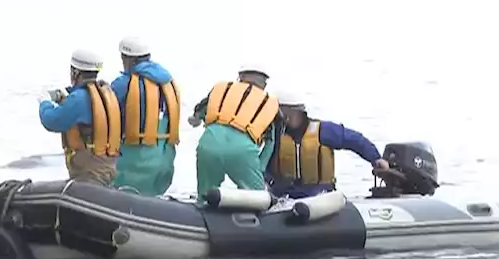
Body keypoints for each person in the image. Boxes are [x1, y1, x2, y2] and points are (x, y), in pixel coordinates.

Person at [266, 90, 390, 199]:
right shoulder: (273, 134)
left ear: (291, 112)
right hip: (284, 195)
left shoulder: (323, 130)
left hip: (319, 195)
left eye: (279, 111)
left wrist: (376, 158)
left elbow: (354, 140)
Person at [188, 66, 279, 195]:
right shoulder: (267, 103)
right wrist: (260, 167)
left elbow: (197, 116)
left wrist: (195, 119)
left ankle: (203, 203)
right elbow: (270, 143)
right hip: (242, 151)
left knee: (206, 192)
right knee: (256, 197)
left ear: (240, 77)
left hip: (209, 144)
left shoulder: (224, 90)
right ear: (264, 83)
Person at [108, 36, 180, 196]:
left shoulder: (122, 84)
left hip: (132, 163)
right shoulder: (168, 83)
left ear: (127, 59)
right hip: (163, 162)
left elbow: (104, 114)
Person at [39, 49, 122, 186]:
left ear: (75, 72)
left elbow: (52, 120)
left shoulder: (78, 99)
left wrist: (45, 102)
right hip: (108, 164)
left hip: (90, 170)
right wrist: (64, 97)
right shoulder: (106, 92)